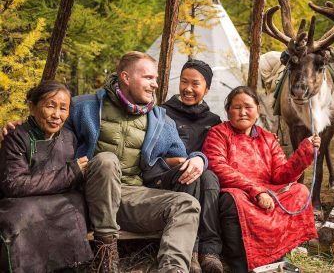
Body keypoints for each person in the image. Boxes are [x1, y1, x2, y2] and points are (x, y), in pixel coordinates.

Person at [66, 51, 205, 273]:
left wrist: (199, 159)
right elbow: (46, 127)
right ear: (126, 77)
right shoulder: (84, 106)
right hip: (88, 196)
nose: (155, 85)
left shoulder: (161, 121)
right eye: (148, 78)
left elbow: (183, 155)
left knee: (187, 205)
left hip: (131, 196)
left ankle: (173, 269)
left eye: (156, 79)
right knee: (106, 160)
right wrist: (16, 130)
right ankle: (107, 253)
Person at [202, 86, 320, 272]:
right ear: (227, 111)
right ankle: (241, 263)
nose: (242, 112)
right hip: (238, 192)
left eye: (248, 107)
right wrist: (256, 191)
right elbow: (218, 167)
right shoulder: (218, 133)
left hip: (268, 191)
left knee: (300, 191)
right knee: (234, 200)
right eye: (236, 107)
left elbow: (280, 174)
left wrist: (305, 152)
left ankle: (277, 254)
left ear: (258, 110)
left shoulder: (267, 138)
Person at [0, 81, 93, 272]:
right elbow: (14, 184)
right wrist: (69, 173)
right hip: (22, 201)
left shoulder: (70, 138)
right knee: (20, 216)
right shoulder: (16, 136)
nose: (56, 115)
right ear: (32, 106)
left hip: (59, 200)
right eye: (50, 106)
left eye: (63, 108)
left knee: (74, 206)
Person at [158, 59, 223, 272]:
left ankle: (210, 250)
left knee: (209, 176)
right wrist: (168, 161)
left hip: (203, 181)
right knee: (192, 173)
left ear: (207, 88)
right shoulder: (162, 113)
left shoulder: (213, 120)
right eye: (184, 82)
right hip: (168, 179)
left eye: (195, 84)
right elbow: (150, 153)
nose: (188, 89)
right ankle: (191, 250)